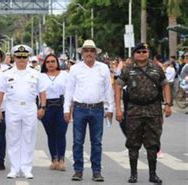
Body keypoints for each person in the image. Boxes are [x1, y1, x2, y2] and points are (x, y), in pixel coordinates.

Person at [115, 43, 171, 184]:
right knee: (133, 143)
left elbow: (165, 85)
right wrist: (119, 109)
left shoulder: (157, 68)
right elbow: (118, 86)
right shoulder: (128, 69)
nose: (141, 54)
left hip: (153, 111)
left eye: (144, 51)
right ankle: (133, 174)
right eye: (138, 51)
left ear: (148, 53)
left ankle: (153, 174)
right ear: (134, 54)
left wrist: (168, 104)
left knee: (153, 144)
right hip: (134, 110)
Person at [63, 40, 114, 182]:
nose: (89, 53)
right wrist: (66, 109)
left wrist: (110, 108)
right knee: (78, 141)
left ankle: (96, 171)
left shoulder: (103, 68)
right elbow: (69, 90)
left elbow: (108, 89)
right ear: (82, 53)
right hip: (80, 109)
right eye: (86, 50)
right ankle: (78, 170)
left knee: (97, 142)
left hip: (97, 109)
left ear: (96, 53)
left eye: (92, 51)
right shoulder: (75, 69)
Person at [0, 45, 47, 179]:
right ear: (14, 57)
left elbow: (42, 92)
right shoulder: (7, 74)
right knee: (13, 138)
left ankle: (26, 168)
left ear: (28, 58)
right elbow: (0, 93)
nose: (21, 59)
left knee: (29, 138)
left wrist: (43, 107)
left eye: (24, 57)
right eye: (19, 57)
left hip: (30, 108)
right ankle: (14, 168)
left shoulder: (35, 73)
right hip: (12, 108)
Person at [40, 54, 69, 171]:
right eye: (48, 62)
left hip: (61, 106)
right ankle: (54, 159)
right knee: (51, 134)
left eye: (53, 61)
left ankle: (61, 159)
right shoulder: (40, 76)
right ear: (45, 64)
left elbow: (70, 92)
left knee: (61, 133)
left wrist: (69, 110)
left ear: (57, 62)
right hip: (47, 108)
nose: (50, 64)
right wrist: (40, 108)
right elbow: (38, 93)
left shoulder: (65, 75)